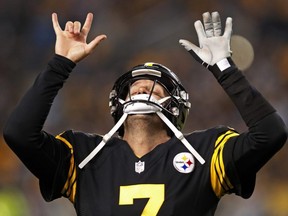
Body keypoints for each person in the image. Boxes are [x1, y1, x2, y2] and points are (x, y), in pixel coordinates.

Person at [3, 11, 287, 216]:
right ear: (118, 103)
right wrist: (60, 64)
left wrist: (224, 68)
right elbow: (19, 134)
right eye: (135, 87)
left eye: (156, 86)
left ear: (176, 106)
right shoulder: (85, 154)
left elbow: (270, 134)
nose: (142, 88)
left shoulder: (205, 152)